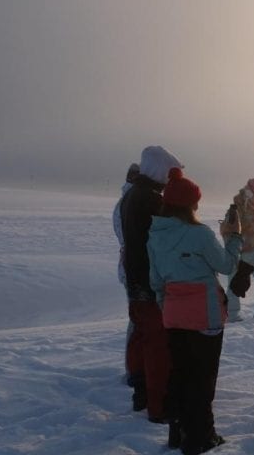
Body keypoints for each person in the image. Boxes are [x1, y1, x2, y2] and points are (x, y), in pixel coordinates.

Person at [148, 167, 242, 454]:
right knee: (202, 380)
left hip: (174, 314)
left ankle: (179, 433)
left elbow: (156, 281)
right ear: (191, 205)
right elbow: (226, 266)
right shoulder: (199, 234)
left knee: (180, 374)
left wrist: (167, 309)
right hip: (205, 315)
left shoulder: (154, 235)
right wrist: (233, 238)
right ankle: (200, 438)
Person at [120, 145, 182, 422]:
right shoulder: (150, 200)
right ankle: (159, 408)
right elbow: (165, 242)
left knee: (141, 337)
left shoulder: (131, 195)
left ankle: (140, 393)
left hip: (135, 278)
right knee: (157, 345)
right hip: (151, 282)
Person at [226, 178, 254, 321]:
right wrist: (238, 255)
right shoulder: (236, 210)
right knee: (235, 284)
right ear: (250, 193)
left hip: (253, 250)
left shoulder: (252, 206)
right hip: (238, 253)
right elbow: (227, 233)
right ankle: (231, 316)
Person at [113, 162, 140, 386]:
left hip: (130, 267)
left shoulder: (125, 201)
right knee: (139, 320)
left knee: (138, 319)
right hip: (134, 269)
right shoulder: (130, 203)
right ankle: (134, 369)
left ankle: (135, 367)